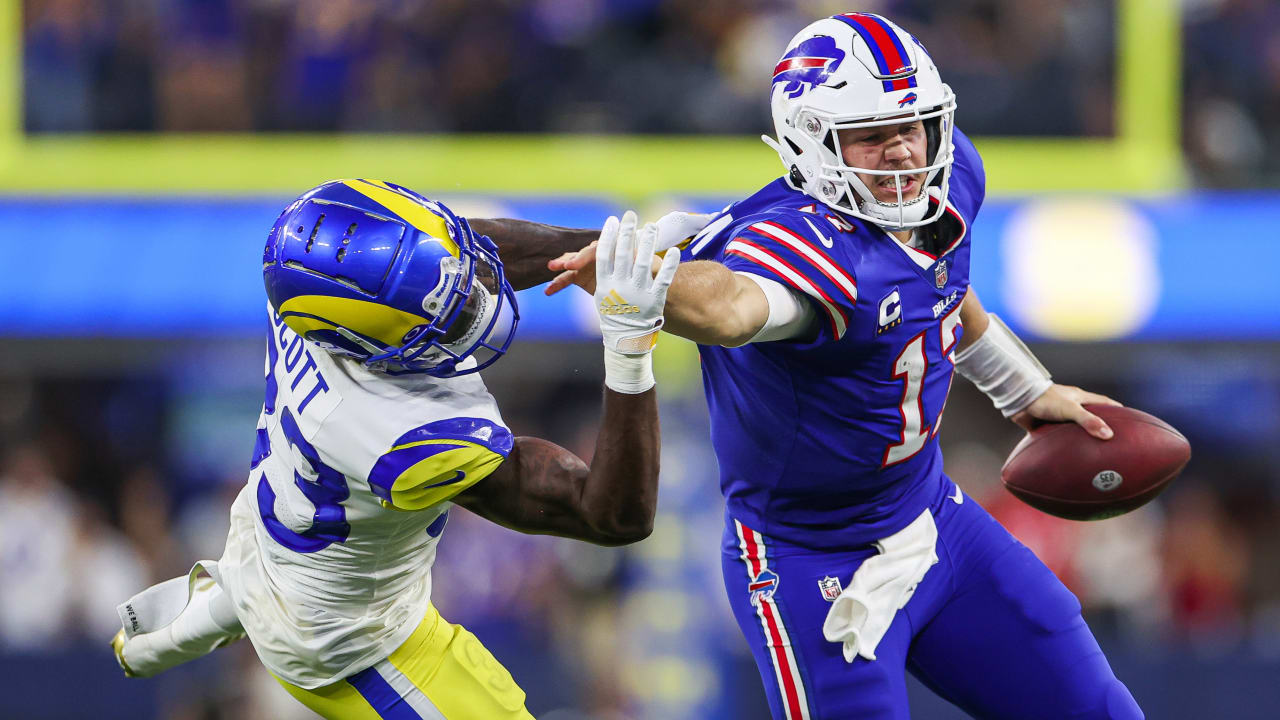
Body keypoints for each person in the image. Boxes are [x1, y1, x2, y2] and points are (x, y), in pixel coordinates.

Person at [546, 12, 1145, 720]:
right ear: (810, 147)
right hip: (811, 564)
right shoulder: (808, 249)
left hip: (933, 517)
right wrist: (656, 286)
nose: (901, 153)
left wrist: (1022, 386)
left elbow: (939, 286)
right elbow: (735, 304)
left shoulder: (947, 179)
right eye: (870, 137)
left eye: (912, 126)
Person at [110, 179, 682, 720]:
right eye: (440, 319)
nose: (473, 309)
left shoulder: (308, 279)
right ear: (366, 349)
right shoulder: (399, 438)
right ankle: (243, 603)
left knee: (266, 577)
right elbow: (612, 515)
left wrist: (607, 251)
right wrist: (630, 345)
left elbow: (463, 247)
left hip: (278, 531)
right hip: (350, 642)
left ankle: (228, 598)